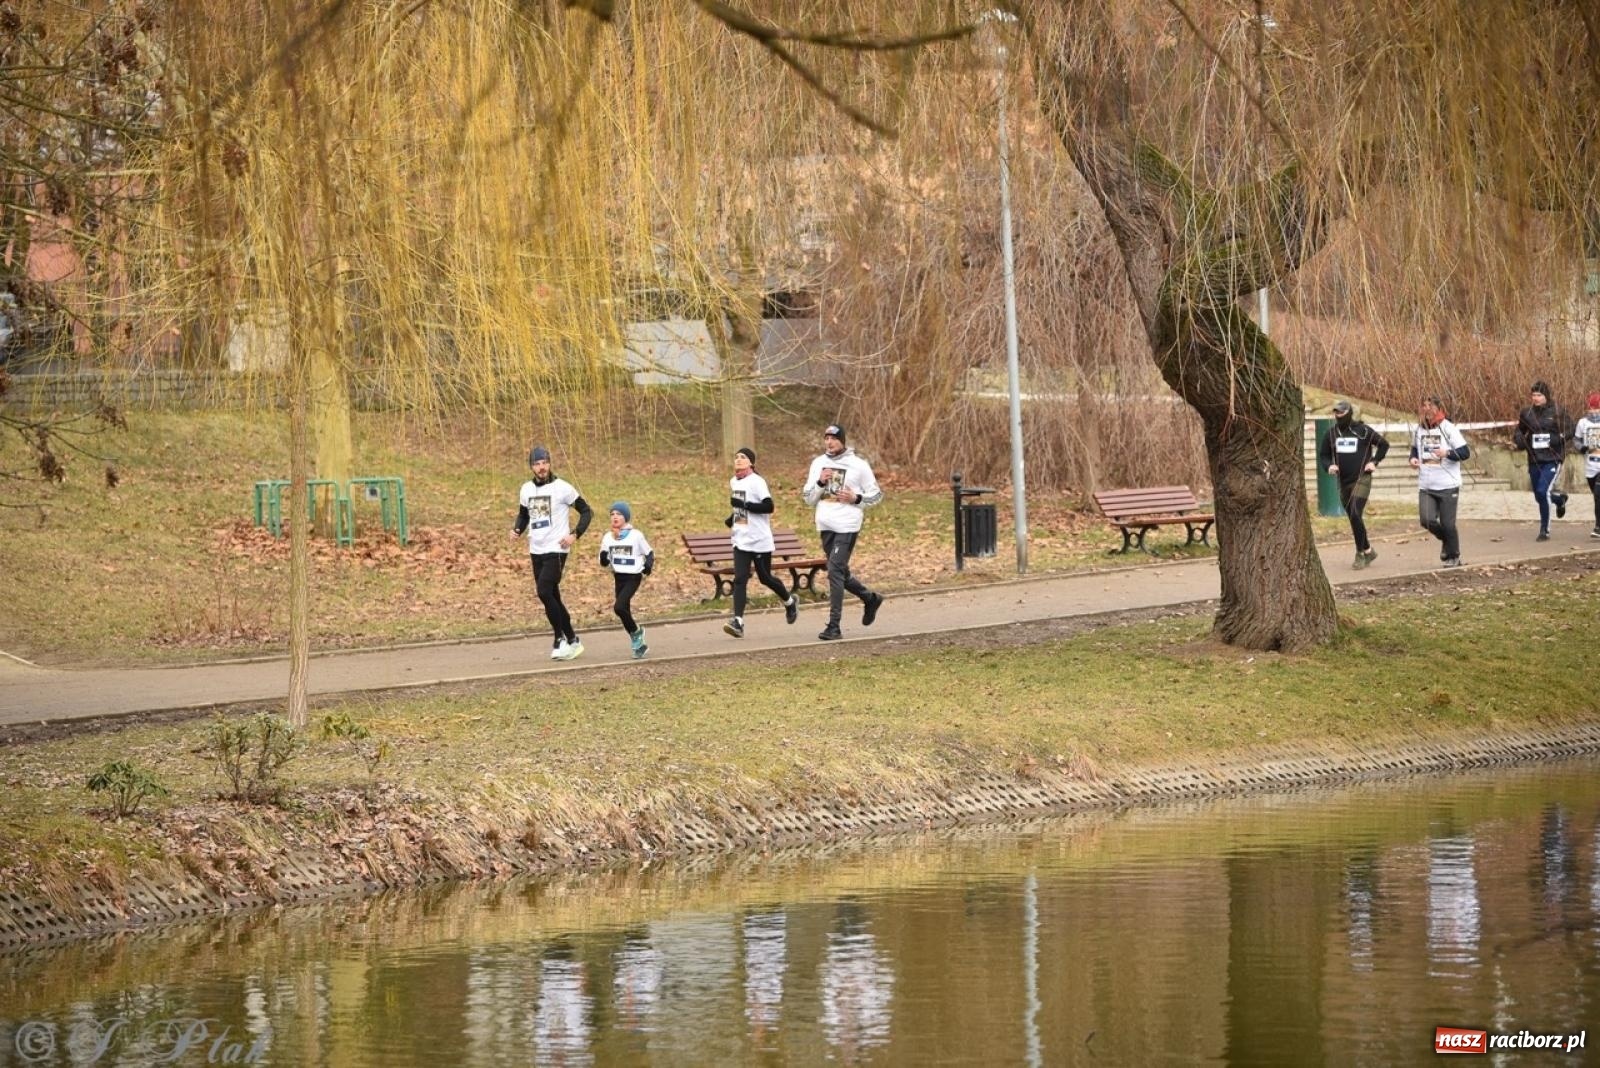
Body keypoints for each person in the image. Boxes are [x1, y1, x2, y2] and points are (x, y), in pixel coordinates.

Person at [802, 424, 883, 641]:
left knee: (834, 570)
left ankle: (834, 626)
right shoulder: (818, 464)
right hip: (826, 525)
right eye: (826, 438)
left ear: (843, 441)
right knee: (840, 572)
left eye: (834, 438)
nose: (829, 442)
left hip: (847, 525)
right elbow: (808, 498)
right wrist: (820, 482)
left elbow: (876, 495)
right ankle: (870, 598)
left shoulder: (859, 465)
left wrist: (856, 498)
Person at [511, 445, 593, 660]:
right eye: (537, 464)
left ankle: (560, 640)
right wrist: (517, 529)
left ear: (550, 464)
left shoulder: (562, 488)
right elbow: (524, 515)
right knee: (553, 596)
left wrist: (574, 535)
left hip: (557, 548)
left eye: (545, 463)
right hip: (536, 549)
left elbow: (586, 511)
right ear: (531, 467)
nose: (542, 467)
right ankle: (573, 640)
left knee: (544, 591)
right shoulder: (526, 489)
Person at [723, 446, 799, 638]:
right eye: (736, 457)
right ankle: (738, 622)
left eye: (743, 457)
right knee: (740, 579)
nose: (738, 460)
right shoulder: (734, 482)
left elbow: (768, 506)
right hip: (741, 538)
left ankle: (790, 602)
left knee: (765, 578)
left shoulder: (757, 482)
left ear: (751, 463)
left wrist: (745, 506)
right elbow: (741, 508)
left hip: (759, 539)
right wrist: (733, 518)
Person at [1318, 399, 1390, 569]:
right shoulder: (1331, 434)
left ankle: (1359, 554)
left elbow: (1383, 445)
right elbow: (1324, 455)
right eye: (1336, 412)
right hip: (1343, 481)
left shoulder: (1363, 430)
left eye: (1341, 412)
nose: (1338, 415)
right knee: (1353, 517)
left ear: (1349, 413)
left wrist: (1374, 461)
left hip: (1362, 478)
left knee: (1355, 513)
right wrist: (1329, 466)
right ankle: (1368, 550)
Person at [1408, 396, 1470, 568]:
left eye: (1431, 406)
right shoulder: (1419, 429)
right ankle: (1447, 541)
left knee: (1448, 524)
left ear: (1438, 408)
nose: (1427, 409)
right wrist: (1413, 459)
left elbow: (1465, 452)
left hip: (1448, 484)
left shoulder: (1448, 428)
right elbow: (1415, 449)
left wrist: (1447, 453)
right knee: (1426, 520)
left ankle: (1454, 555)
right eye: (1424, 405)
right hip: (1426, 485)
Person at [1512, 380, 1571, 541]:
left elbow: (1570, 429)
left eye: (1539, 395)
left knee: (1542, 491)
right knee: (1539, 495)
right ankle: (1559, 500)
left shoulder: (1558, 411)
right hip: (1534, 458)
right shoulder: (1527, 413)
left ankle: (1544, 530)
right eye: (1533, 395)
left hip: (1553, 458)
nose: (1536, 398)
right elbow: (1519, 431)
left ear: (1546, 396)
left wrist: (1558, 439)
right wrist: (1519, 441)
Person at [598, 501, 654, 659]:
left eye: (619, 514)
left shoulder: (636, 535)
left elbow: (649, 552)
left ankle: (637, 632)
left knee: (619, 607)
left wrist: (648, 565)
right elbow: (604, 562)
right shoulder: (608, 537)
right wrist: (603, 557)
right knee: (624, 611)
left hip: (633, 577)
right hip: (619, 577)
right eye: (612, 514)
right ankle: (638, 643)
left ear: (626, 517)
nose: (615, 517)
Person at [1573, 392, 1600, 539]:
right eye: (1591, 408)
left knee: (1598, 494)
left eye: (1596, 408)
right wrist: (1583, 448)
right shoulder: (1583, 423)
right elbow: (1576, 440)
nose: (1593, 411)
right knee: (1597, 497)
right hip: (1590, 466)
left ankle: (1598, 527)